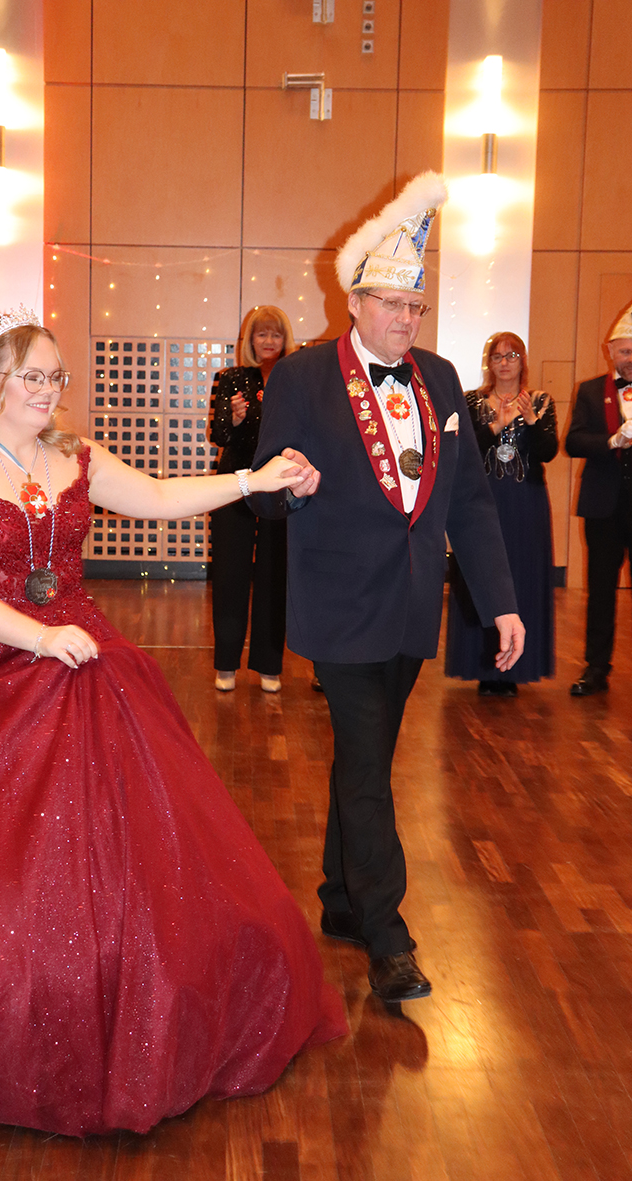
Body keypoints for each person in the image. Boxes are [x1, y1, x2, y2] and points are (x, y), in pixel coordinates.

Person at [0, 308, 346, 1137]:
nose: (48, 390)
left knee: (131, 843)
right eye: (32, 377)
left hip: (86, 655)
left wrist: (250, 480)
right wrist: (40, 637)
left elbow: (158, 496)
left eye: (56, 376)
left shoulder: (75, 456)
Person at [251, 174, 525, 1003]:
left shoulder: (438, 378)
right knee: (370, 767)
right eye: (392, 304)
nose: (406, 319)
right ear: (355, 304)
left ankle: (340, 895)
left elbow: (469, 501)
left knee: (364, 757)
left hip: (409, 606)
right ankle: (387, 935)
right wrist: (287, 486)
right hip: (338, 607)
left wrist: (501, 601)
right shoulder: (301, 378)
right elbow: (262, 494)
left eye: (416, 306)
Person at [446, 332, 557, 695]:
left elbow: (548, 452)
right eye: (498, 356)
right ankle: (481, 665)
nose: (505, 363)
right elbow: (464, 450)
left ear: (523, 361)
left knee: (522, 577)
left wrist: (531, 420)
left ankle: (516, 668)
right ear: (489, 363)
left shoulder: (540, 401)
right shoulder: (472, 401)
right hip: (482, 500)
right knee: (481, 574)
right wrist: (496, 424)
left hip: (526, 503)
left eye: (512, 356)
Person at [209, 306, 295, 693]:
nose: (269, 341)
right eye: (262, 334)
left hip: (280, 485)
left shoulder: (296, 377)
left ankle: (269, 666)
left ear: (285, 339)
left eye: (276, 334)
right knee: (230, 573)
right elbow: (219, 436)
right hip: (236, 483)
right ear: (251, 340)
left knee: (274, 575)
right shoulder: (231, 378)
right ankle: (226, 664)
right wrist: (235, 420)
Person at [565, 305, 632, 696]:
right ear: (610, 352)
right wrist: (611, 441)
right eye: (624, 351)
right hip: (603, 508)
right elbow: (573, 442)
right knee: (601, 591)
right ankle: (595, 668)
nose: (630, 358)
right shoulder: (591, 391)